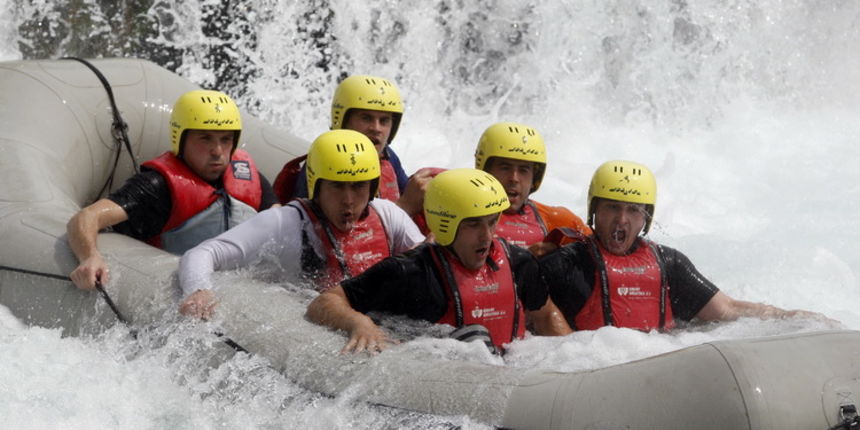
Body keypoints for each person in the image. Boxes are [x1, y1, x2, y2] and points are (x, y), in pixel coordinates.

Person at [306, 168, 572, 354]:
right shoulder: (408, 272)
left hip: (505, 370)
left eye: (492, 222)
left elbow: (546, 315)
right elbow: (324, 302)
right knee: (474, 339)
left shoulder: (519, 264)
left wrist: (571, 357)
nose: (487, 236)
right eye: (473, 224)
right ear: (445, 224)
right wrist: (359, 323)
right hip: (439, 373)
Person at [540, 160, 826, 331]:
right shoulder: (567, 265)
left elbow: (727, 310)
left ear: (646, 218)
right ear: (594, 211)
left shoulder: (670, 265)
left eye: (633, 210)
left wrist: (793, 318)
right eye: (612, 207)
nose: (622, 220)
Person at [179, 129, 424, 319]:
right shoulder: (284, 222)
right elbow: (203, 253)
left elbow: (428, 267)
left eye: (359, 186)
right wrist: (199, 290)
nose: (348, 200)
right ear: (316, 186)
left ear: (372, 187)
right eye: (337, 186)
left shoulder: (388, 216)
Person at [68, 89, 278, 290]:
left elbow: (283, 226)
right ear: (181, 139)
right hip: (171, 286)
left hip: (239, 287)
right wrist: (89, 256)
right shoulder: (156, 186)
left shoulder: (250, 179)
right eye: (205, 138)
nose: (217, 151)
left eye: (226, 139)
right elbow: (87, 217)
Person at [273, 75, 434, 216]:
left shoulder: (388, 156)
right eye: (366, 118)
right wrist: (404, 208)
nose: (376, 128)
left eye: (384, 121)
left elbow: (409, 195)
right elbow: (331, 233)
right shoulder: (324, 163)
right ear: (343, 121)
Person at [475, 122, 591, 252]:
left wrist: (562, 257)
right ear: (485, 171)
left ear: (534, 178)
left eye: (523, 170)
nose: (514, 178)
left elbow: (601, 251)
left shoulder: (556, 219)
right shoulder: (463, 216)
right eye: (505, 167)